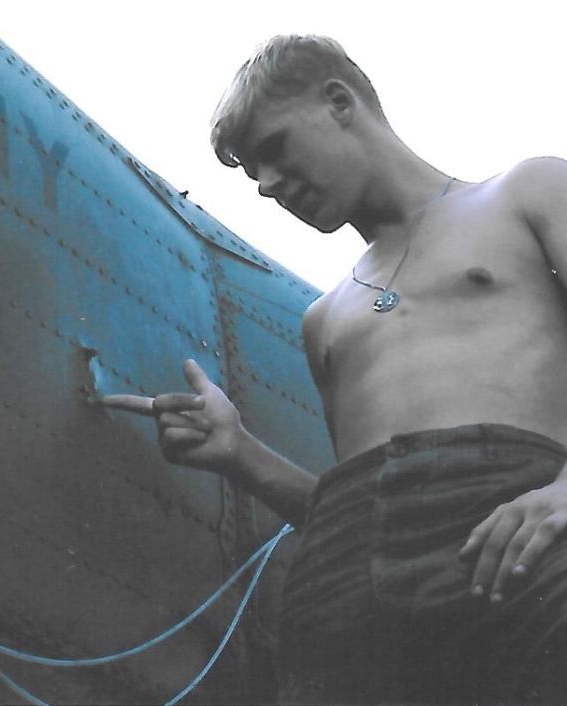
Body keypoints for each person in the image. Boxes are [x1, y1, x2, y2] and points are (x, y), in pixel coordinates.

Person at [101, 35, 567, 703]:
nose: (266, 185)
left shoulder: (525, 192)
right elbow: (351, 504)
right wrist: (239, 454)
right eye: (251, 173)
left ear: (339, 102)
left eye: (276, 148)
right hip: (347, 580)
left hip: (515, 533)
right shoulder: (326, 319)